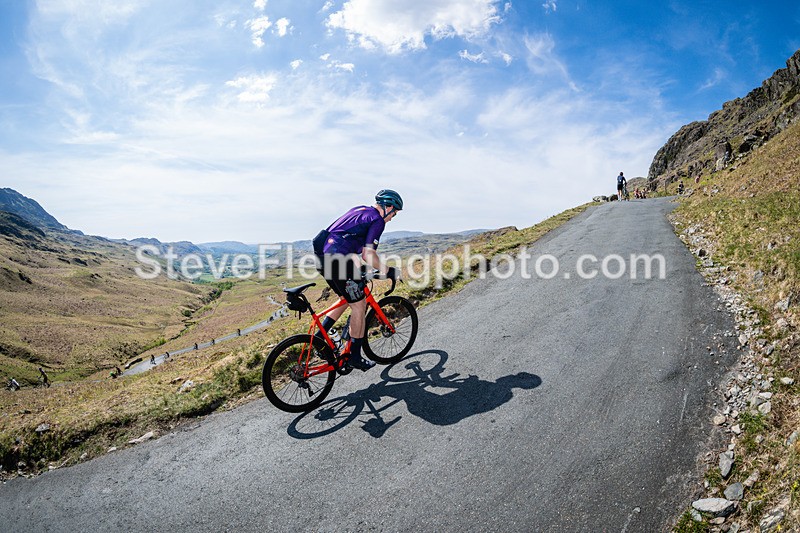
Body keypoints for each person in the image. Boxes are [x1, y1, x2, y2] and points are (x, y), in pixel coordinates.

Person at [312, 189, 402, 371]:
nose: (392, 218)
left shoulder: (360, 210)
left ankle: (319, 339)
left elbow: (344, 239)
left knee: (346, 298)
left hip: (323, 257)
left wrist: (358, 268)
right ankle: (355, 356)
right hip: (337, 260)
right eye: (394, 213)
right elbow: (369, 254)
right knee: (359, 304)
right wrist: (388, 271)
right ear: (388, 207)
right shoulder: (377, 220)